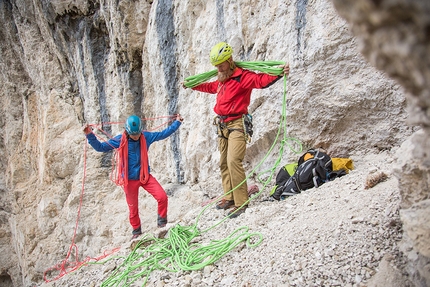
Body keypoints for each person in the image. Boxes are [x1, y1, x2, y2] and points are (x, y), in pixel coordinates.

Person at [184, 42, 289, 218]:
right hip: (222, 125)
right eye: (216, 66)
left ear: (230, 60)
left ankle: (241, 202)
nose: (218, 68)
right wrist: (191, 85)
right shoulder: (221, 79)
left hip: (237, 125)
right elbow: (209, 87)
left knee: (234, 161)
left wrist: (279, 72)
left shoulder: (242, 77)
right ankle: (229, 196)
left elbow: (260, 81)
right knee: (223, 162)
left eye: (221, 64)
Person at [83, 114, 183, 239]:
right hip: (129, 180)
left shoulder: (146, 137)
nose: (135, 137)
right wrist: (89, 134)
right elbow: (100, 147)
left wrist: (177, 123)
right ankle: (136, 232)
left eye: (137, 134)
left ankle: (162, 225)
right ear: (127, 131)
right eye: (133, 135)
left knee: (162, 197)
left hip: (144, 176)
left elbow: (163, 133)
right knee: (133, 209)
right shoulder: (120, 140)